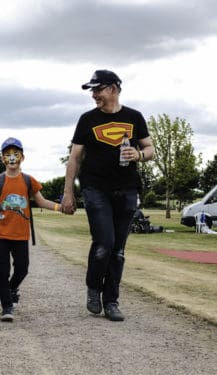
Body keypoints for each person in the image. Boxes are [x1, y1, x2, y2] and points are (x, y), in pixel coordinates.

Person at [62, 69, 155, 322]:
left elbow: (150, 148)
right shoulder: (87, 120)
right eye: (92, 91)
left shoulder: (134, 117)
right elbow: (75, 158)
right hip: (95, 188)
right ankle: (94, 288)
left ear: (113, 89)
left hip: (127, 189)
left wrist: (138, 155)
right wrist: (68, 192)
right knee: (104, 243)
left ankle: (111, 301)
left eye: (98, 89)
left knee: (119, 249)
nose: (94, 95)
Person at [0, 137, 62, 322]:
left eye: (15, 154)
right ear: (2, 159)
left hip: (21, 234)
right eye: (7, 155)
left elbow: (41, 201)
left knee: (22, 269)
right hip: (1, 233)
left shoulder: (28, 181)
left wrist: (60, 207)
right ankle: (7, 306)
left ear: (22, 157)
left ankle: (11, 288)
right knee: (3, 270)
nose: (11, 158)